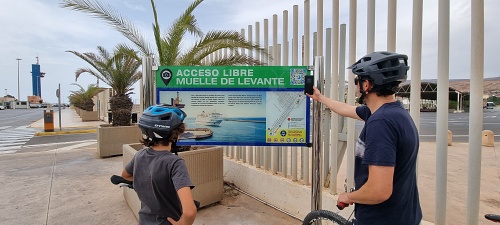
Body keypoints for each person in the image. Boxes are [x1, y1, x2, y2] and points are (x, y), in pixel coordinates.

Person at [307, 51, 422, 225]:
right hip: (404, 215)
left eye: (357, 81)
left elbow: (379, 191)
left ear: (367, 85)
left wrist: (349, 196)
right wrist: (320, 97)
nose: (355, 86)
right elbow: (346, 109)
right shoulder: (394, 113)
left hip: (381, 219)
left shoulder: (381, 123)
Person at [121, 105, 197, 225]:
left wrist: (146, 184)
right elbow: (189, 212)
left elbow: (125, 175)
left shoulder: (139, 155)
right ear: (175, 134)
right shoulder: (175, 163)